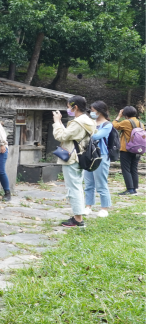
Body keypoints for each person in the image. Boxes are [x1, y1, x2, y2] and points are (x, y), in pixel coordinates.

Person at [51, 96, 96, 227]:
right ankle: (78, 216)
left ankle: (78, 219)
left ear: (75, 107)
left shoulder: (78, 123)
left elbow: (60, 136)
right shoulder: (88, 120)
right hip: (80, 156)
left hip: (72, 157)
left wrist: (57, 121)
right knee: (77, 186)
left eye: (68, 106)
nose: (67, 109)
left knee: (73, 188)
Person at [86, 101, 114, 217]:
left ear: (99, 111)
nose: (91, 113)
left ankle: (104, 208)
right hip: (88, 154)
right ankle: (88, 206)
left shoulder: (107, 124)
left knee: (101, 183)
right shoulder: (91, 122)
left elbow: (96, 136)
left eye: (93, 111)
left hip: (101, 155)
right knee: (88, 183)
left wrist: (87, 130)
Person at [112, 106, 141, 194]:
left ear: (125, 114)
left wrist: (118, 116)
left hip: (126, 149)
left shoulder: (126, 122)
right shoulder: (140, 123)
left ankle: (130, 189)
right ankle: (134, 188)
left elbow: (114, 126)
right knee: (134, 169)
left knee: (126, 169)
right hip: (138, 149)